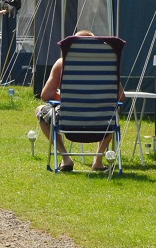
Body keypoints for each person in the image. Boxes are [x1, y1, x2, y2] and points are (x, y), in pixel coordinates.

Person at [35, 29, 123, 172]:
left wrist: (67, 99)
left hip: (69, 122)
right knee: (112, 111)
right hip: (100, 123)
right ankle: (98, 160)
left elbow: (46, 95)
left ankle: (65, 158)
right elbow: (121, 97)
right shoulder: (107, 64)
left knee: (40, 110)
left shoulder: (61, 63)